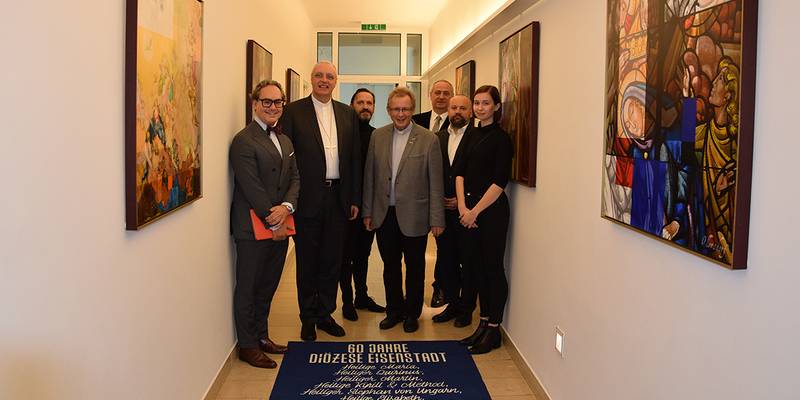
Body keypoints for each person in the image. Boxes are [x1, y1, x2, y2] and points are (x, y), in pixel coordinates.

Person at [280, 61, 362, 341]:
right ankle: (308, 317)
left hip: (339, 197)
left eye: (329, 76)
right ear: (312, 80)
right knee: (307, 260)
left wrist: (353, 197)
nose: (324, 80)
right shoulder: (292, 112)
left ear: (335, 81)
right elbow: (286, 159)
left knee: (332, 260)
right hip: (307, 198)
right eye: (319, 76)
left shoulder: (347, 113)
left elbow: (354, 159)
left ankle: (326, 314)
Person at [362, 86, 445, 333]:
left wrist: (437, 218)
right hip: (384, 215)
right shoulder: (377, 136)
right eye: (396, 109)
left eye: (405, 109)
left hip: (416, 215)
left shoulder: (429, 139)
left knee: (415, 267)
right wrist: (368, 212)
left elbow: (436, 182)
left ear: (413, 110)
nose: (401, 114)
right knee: (390, 267)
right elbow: (370, 176)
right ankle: (394, 310)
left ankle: (412, 313)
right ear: (388, 110)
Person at [229, 80, 299, 368]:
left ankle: (261, 335)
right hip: (253, 228)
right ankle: (247, 345)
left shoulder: (284, 140)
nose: (273, 107)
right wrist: (275, 221)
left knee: (268, 286)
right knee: (248, 288)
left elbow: (295, 178)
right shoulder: (244, 140)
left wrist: (286, 208)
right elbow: (252, 187)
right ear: (254, 103)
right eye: (267, 101)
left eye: (278, 102)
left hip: (280, 222)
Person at [455, 85, 512, 354]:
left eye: (485, 103)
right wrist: (463, 209)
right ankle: (483, 322)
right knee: (477, 269)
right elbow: (459, 172)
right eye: (476, 103)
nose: (479, 108)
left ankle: (494, 330)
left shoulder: (502, 138)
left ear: (496, 107)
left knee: (493, 270)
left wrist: (474, 211)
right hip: (468, 211)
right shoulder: (470, 133)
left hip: (491, 211)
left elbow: (500, 181)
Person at [431, 95, 477, 328]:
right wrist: (439, 202)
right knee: (446, 260)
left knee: (468, 261)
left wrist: (460, 201)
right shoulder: (436, 138)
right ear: (447, 110)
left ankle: (466, 309)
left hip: (467, 212)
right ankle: (451, 303)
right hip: (443, 212)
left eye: (463, 108)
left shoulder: (478, 138)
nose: (458, 112)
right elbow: (430, 174)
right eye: (454, 108)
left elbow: (479, 176)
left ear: (471, 112)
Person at [340, 88, 385, 321]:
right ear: (352, 105)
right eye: (360, 102)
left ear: (374, 108)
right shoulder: (342, 135)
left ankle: (362, 297)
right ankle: (347, 301)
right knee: (345, 255)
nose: (365, 106)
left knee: (363, 254)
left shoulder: (377, 136)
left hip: (368, 209)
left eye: (369, 103)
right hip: (346, 208)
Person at [412, 80, 454, 307]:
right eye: (437, 92)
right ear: (430, 95)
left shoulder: (458, 121)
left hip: (444, 194)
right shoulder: (415, 120)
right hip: (416, 194)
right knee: (414, 248)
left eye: (446, 93)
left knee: (443, 246)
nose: (441, 96)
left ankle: (440, 288)